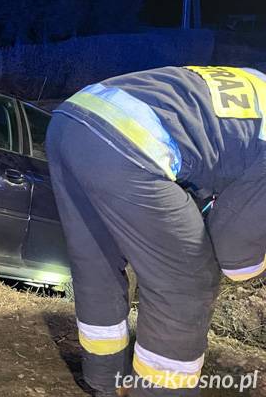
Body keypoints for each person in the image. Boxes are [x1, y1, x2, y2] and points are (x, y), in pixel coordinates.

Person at [46, 65, 266, 396]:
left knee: (97, 262)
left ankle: (104, 382)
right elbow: (236, 257)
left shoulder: (257, 86)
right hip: (132, 143)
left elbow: (212, 154)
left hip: (75, 117)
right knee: (187, 283)